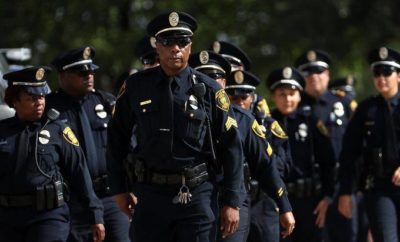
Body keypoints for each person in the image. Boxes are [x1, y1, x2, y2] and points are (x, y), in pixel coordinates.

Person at [106, 11, 245, 242]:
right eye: (167, 42)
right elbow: (116, 138)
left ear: (190, 46)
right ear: (156, 46)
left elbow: (232, 146)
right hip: (149, 195)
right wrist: (118, 189)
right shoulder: (135, 87)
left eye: (182, 42)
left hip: (197, 195)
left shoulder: (209, 90)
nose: (175, 48)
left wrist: (232, 201)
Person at [189, 51, 295, 242]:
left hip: (234, 202)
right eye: (201, 78)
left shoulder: (242, 119)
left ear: (224, 83)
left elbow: (266, 165)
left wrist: (284, 205)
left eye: (215, 77)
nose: (208, 84)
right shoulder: (180, 117)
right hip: (193, 203)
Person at [0, 66, 105, 242]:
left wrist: (95, 214)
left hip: (49, 216)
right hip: (7, 219)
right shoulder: (2, 131)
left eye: (42, 97)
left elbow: (79, 172)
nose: (40, 102)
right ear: (14, 101)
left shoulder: (58, 130)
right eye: (32, 98)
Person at [47, 46, 130, 242]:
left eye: (91, 71)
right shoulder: (50, 110)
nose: (89, 76)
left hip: (110, 196)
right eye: (81, 72)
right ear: (63, 75)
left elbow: (124, 147)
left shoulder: (105, 101)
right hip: (73, 202)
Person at [267, 66, 336, 242]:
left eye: (292, 93)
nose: (287, 99)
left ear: (299, 95)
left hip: (310, 202)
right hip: (278, 203)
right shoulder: (265, 125)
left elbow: (328, 162)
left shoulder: (312, 122)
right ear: (273, 96)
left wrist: (327, 197)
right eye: (282, 94)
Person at [338, 46, 400, 242]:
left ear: (398, 75)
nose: (382, 78)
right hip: (379, 187)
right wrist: (346, 191)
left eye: (387, 72)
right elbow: (349, 152)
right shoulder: (366, 109)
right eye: (377, 73)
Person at [295, 49, 357, 242]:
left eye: (319, 71)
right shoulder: (293, 107)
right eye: (308, 73)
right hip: (306, 192)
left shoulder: (344, 103)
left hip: (342, 187)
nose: (314, 77)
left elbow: (358, 146)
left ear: (328, 74)